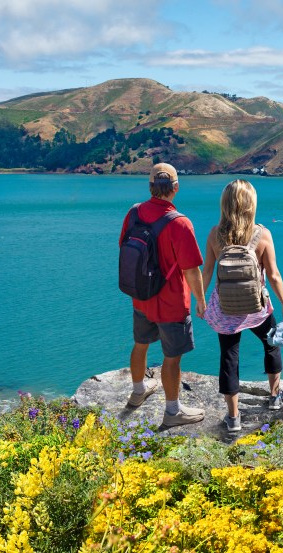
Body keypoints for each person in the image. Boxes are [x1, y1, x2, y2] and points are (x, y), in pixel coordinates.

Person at [200, 179, 283, 432]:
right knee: (271, 345)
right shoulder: (262, 234)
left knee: (229, 358)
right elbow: (273, 275)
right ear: (251, 204)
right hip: (257, 308)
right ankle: (275, 397)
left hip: (225, 309)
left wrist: (199, 301)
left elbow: (207, 271)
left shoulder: (214, 234)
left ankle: (233, 418)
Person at [119, 163, 207, 427]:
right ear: (176, 188)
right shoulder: (180, 224)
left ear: (150, 188)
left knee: (141, 344)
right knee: (172, 357)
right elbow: (191, 270)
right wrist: (201, 301)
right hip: (171, 303)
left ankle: (137, 392)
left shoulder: (133, 213)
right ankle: (172, 412)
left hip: (141, 297)